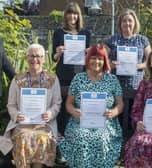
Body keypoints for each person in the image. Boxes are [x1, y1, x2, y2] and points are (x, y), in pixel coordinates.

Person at [0, 44, 62, 168]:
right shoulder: (18, 79)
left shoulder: (52, 78)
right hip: (22, 123)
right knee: (23, 136)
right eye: (31, 56)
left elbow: (57, 102)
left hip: (44, 124)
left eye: (38, 56)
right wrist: (16, 115)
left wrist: (50, 113)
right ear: (26, 58)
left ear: (44, 59)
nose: (34, 59)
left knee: (42, 137)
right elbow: (11, 104)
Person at [58, 44, 124, 168]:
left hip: (106, 122)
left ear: (105, 60)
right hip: (80, 122)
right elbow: (68, 104)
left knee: (101, 138)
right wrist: (73, 111)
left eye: (100, 58)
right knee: (81, 137)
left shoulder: (112, 79)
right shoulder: (78, 78)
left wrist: (114, 112)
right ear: (88, 59)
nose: (96, 61)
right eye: (93, 58)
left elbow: (120, 104)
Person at [105, 8, 151, 139]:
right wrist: (110, 64)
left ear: (135, 23)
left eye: (130, 21)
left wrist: (139, 65)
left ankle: (130, 146)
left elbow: (150, 59)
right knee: (116, 119)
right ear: (120, 23)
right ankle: (116, 145)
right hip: (116, 87)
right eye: (124, 21)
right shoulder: (113, 39)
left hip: (135, 87)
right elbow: (101, 57)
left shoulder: (142, 40)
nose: (127, 24)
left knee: (133, 119)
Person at [52, 1, 91, 136]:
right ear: (65, 15)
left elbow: (89, 58)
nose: (72, 17)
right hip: (63, 75)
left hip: (80, 76)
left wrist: (89, 52)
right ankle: (62, 138)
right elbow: (54, 57)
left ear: (78, 16)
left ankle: (76, 137)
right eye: (69, 13)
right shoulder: (58, 33)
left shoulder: (86, 33)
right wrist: (58, 52)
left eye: (75, 14)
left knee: (79, 108)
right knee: (63, 109)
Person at [124, 52, 152, 168]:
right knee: (138, 143)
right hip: (146, 128)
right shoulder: (144, 84)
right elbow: (137, 108)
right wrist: (138, 121)